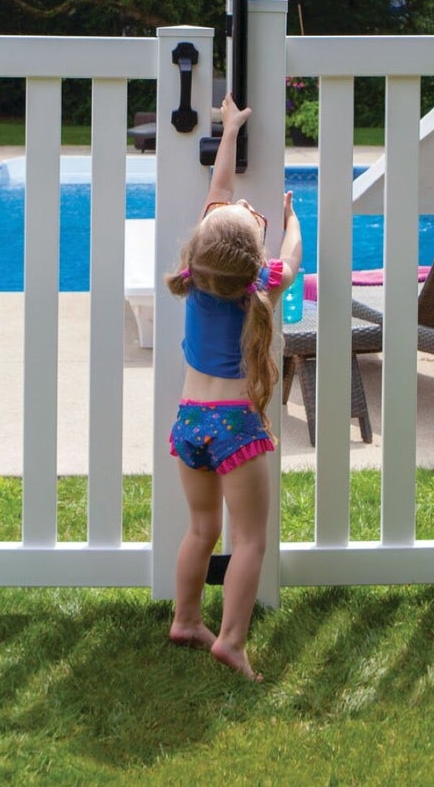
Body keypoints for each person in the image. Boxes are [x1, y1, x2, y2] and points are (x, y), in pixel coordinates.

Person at [163, 94, 301, 681]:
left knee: (201, 528)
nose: (243, 202)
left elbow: (219, 191)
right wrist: (292, 221)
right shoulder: (261, 282)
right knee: (248, 541)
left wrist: (229, 130)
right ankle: (232, 641)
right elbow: (291, 258)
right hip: (235, 428)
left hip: (189, 422)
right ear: (255, 254)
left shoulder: (199, 272)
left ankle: (185, 618)